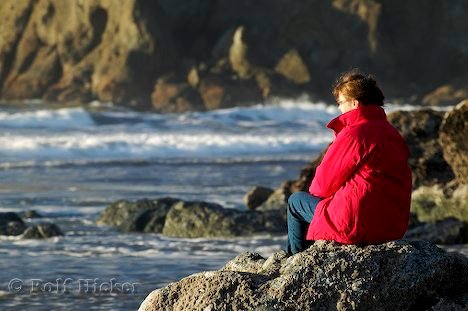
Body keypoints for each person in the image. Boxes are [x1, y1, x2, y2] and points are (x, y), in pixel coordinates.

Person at [286, 70, 412, 255]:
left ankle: (294, 262)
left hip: (356, 225)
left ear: (355, 103)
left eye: (340, 102)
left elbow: (322, 186)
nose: (339, 109)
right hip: (391, 227)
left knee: (296, 202)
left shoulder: (355, 133)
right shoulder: (392, 133)